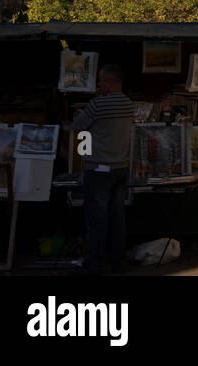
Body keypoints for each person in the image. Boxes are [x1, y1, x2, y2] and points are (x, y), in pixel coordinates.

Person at [72, 63, 135, 274]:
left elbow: (77, 125)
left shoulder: (98, 104)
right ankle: (118, 262)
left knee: (97, 220)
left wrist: (96, 98)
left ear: (108, 82)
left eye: (101, 80)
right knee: (118, 217)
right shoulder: (128, 103)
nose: (99, 84)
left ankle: (94, 264)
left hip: (99, 169)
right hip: (121, 168)